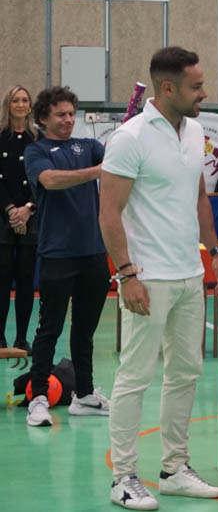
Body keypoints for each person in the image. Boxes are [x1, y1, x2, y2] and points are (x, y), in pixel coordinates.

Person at [101, 47, 218, 509]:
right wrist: (127, 275)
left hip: (189, 274)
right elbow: (109, 213)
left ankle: (174, 469)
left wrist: (214, 250)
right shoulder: (130, 138)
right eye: (196, 86)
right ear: (168, 88)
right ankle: (123, 477)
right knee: (135, 377)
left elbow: (199, 196)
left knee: (185, 374)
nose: (204, 93)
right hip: (147, 277)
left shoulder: (194, 131)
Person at [22, 86, 109, 427]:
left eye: (72, 113)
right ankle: (38, 397)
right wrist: (97, 171)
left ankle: (84, 394)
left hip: (93, 252)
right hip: (57, 254)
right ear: (43, 119)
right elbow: (51, 180)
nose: (68, 119)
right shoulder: (36, 151)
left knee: (85, 330)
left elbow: (117, 157)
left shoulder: (89, 146)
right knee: (49, 329)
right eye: (60, 114)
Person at [0, 85, 39, 352]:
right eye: (15, 100)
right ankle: (0, 337)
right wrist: (11, 209)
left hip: (30, 216)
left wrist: (28, 208)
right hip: (3, 216)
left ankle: (22, 337)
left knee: (26, 279)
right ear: (8, 104)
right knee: (2, 277)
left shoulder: (38, 139)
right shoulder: (0, 137)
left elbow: (42, 178)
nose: (21, 104)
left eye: (25, 100)